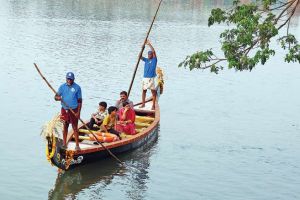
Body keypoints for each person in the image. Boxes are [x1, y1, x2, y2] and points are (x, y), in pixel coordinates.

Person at [55, 72, 82, 151]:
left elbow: (80, 101)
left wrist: (78, 112)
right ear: (66, 78)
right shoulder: (62, 87)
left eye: (70, 79)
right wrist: (58, 98)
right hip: (64, 109)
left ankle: (77, 145)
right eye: (68, 79)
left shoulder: (77, 87)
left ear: (73, 79)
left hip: (74, 109)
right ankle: (64, 143)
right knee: (65, 125)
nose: (69, 80)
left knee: (74, 127)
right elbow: (55, 97)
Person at [140, 39, 157, 110]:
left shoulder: (154, 60)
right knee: (144, 90)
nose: (149, 55)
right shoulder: (146, 60)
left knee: (153, 91)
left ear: (152, 55)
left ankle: (153, 105)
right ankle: (143, 103)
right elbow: (139, 57)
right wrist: (142, 48)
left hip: (151, 78)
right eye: (148, 54)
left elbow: (154, 51)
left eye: (150, 54)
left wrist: (149, 44)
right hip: (145, 78)